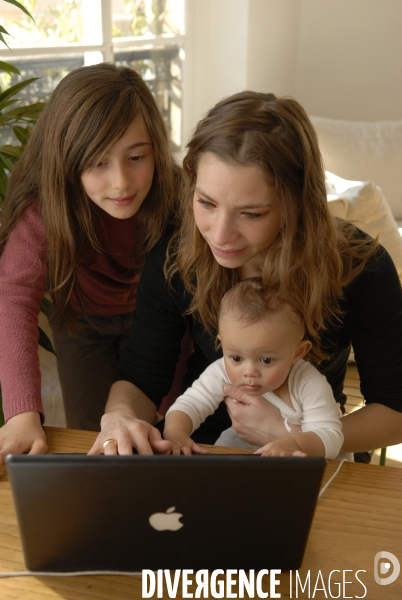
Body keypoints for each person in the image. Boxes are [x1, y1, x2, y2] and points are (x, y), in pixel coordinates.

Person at [88, 91, 402, 460]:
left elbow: (394, 410)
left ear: (297, 203)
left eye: (251, 214)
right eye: (206, 203)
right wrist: (120, 419)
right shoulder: (176, 258)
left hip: (320, 452)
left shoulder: (360, 267)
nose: (218, 235)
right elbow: (141, 378)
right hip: (200, 447)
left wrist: (295, 437)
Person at [0, 63, 179, 463]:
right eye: (98, 162)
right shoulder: (43, 212)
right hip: (82, 324)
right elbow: (14, 301)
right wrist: (20, 415)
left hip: (161, 323)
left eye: (136, 157)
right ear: (66, 158)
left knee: (170, 430)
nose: (121, 182)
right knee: (92, 434)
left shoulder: (178, 197)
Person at [164, 278, 345, 459]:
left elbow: (331, 437)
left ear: (298, 352)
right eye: (236, 358)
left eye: (266, 360)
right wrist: (176, 432)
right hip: (249, 445)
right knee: (223, 448)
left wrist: (294, 443)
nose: (249, 371)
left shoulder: (308, 383)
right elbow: (191, 403)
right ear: (222, 342)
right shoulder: (221, 371)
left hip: (313, 458)